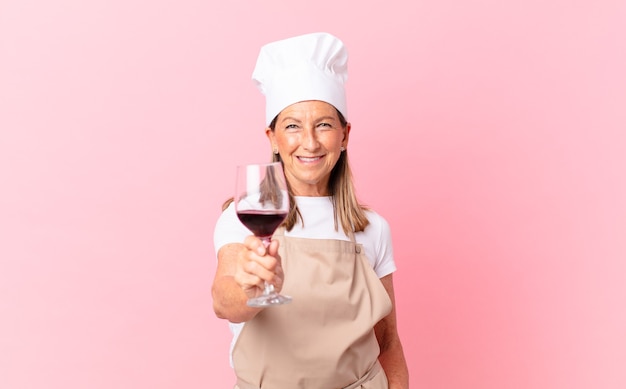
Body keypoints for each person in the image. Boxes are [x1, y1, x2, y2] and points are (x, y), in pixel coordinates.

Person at [212, 32, 409, 389]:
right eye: (292, 126)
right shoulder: (243, 219)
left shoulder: (373, 229)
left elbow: (388, 341)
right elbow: (224, 301)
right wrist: (254, 290)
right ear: (272, 138)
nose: (310, 142)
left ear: (344, 135)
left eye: (323, 124)